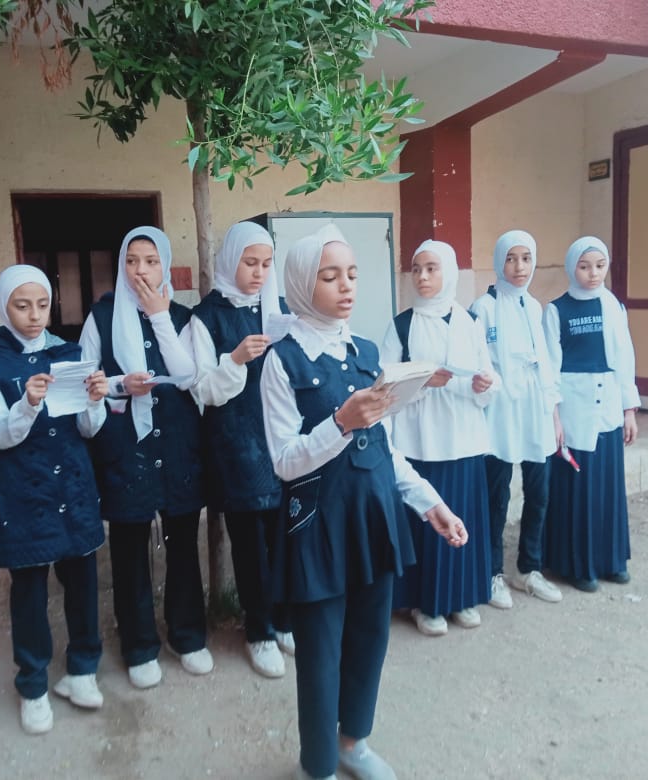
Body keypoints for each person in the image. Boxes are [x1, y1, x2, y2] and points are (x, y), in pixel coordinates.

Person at [260, 224, 467, 780]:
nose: (346, 286)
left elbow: (385, 448)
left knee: (370, 639)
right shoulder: (283, 361)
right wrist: (340, 423)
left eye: (352, 274)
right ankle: (318, 765)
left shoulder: (367, 353)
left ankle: (353, 742)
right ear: (302, 284)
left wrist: (429, 503)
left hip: (373, 516)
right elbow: (284, 461)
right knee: (321, 654)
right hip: (318, 526)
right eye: (330, 276)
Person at [0, 265, 108, 735]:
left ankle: (82, 671)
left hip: (72, 480)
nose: (33, 316)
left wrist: (95, 400)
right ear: (3, 306)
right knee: (29, 589)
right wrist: (27, 404)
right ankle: (32, 685)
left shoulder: (70, 354)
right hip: (24, 487)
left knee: (82, 579)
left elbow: (89, 429)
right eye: (21, 305)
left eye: (42, 305)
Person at [80, 226, 210, 690]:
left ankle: (187, 636)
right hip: (125, 447)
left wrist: (158, 316)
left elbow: (189, 376)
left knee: (182, 543)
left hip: (176, 444)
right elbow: (87, 380)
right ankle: (138, 646)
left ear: (164, 266)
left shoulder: (183, 317)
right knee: (129, 547)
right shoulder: (101, 316)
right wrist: (120, 385)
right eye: (132, 260)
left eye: (151, 261)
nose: (141, 271)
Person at [187, 221, 293, 679]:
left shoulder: (279, 309)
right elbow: (202, 390)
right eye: (250, 263)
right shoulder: (206, 317)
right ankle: (259, 630)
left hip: (279, 437)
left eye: (266, 264)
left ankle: (283, 619)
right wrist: (235, 360)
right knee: (249, 543)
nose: (259, 273)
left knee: (283, 536)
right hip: (235, 443)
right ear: (231, 261)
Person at [383, 239, 500, 637]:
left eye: (431, 268)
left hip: (464, 439)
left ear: (448, 272)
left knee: (463, 518)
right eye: (417, 269)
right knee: (428, 523)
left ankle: (463, 597)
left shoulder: (470, 322)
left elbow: (487, 375)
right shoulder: (401, 325)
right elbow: (384, 388)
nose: (422, 277)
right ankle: (426, 603)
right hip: (421, 441)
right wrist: (422, 381)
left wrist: (485, 384)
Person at [470, 230, 564, 608]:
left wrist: (554, 414)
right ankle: (492, 572)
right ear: (499, 262)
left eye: (526, 258)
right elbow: (477, 361)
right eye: (511, 258)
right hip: (500, 411)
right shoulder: (484, 307)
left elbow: (546, 364)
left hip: (535, 410)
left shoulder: (535, 306)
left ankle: (528, 568)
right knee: (497, 494)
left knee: (539, 492)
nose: (519, 267)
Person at [542, 237, 640, 591]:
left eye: (600, 266)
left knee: (608, 488)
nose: (593, 273)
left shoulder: (613, 306)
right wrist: (553, 416)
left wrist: (629, 410)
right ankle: (576, 566)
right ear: (572, 268)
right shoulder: (556, 311)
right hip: (574, 412)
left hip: (608, 410)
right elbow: (549, 369)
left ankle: (611, 560)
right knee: (577, 489)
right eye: (585, 267)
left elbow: (625, 359)